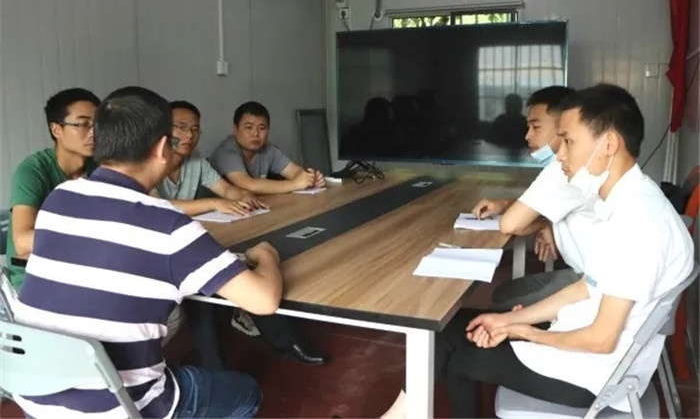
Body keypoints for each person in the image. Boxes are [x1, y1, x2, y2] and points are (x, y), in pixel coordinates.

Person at [380, 84, 695, 418]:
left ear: (609, 144)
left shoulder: (637, 222)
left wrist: (523, 332)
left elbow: (601, 340)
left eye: (569, 142)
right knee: (459, 331)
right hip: (586, 350)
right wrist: (510, 319)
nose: (560, 155)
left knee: (449, 344)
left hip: (590, 375)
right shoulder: (631, 200)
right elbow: (586, 287)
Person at [13, 86, 284, 418]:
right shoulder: (168, 226)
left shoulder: (59, 199)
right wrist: (266, 255)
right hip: (122, 408)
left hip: (34, 398)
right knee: (246, 392)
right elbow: (263, 301)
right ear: (161, 148)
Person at [158, 100, 328, 366]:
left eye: (194, 129)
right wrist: (215, 202)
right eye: (180, 127)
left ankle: (285, 342)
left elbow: (227, 189)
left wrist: (242, 196)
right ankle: (215, 367)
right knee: (205, 289)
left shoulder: (196, 160)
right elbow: (156, 205)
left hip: (190, 239)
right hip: (159, 248)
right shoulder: (150, 161)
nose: (189, 135)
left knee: (240, 269)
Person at [471, 86, 583, 309]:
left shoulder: (563, 168)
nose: (527, 135)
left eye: (536, 126)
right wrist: (506, 205)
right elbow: (537, 207)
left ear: (564, 126)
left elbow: (510, 224)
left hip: (591, 282)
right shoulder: (573, 162)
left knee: (499, 301)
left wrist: (539, 223)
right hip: (585, 272)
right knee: (504, 294)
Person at [4, 88, 100, 295]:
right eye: (83, 124)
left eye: (98, 124)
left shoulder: (101, 167)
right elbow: (22, 242)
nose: (94, 132)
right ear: (57, 130)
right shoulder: (32, 170)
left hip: (85, 273)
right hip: (33, 279)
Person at [210, 101, 325, 194]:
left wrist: (310, 178)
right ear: (235, 129)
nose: (255, 134)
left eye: (262, 128)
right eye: (249, 127)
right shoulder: (226, 152)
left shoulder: (268, 149)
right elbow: (247, 185)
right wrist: (296, 184)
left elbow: (295, 172)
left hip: (256, 207)